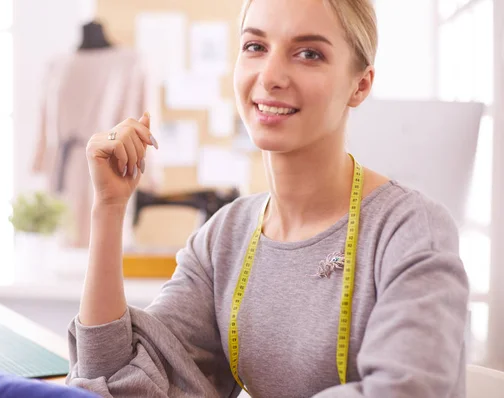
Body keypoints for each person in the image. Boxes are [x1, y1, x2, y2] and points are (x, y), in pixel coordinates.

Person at [65, 0, 469, 396]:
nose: (271, 75)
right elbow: (119, 384)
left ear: (360, 84)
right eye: (255, 47)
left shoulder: (410, 231)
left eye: (309, 54)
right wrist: (109, 209)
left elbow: (406, 389)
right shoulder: (224, 238)